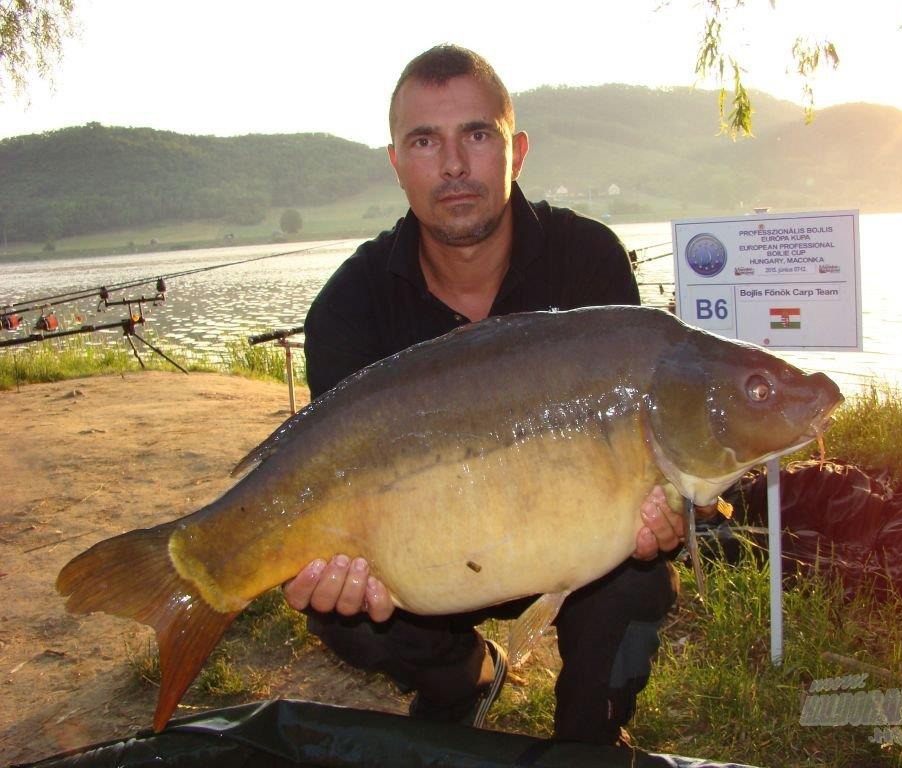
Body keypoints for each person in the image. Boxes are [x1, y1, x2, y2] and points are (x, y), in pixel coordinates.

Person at [284, 44, 696, 746]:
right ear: (395, 162)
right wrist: (336, 560)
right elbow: (336, 484)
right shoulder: (348, 308)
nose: (452, 165)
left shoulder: (588, 260)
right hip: (431, 562)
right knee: (340, 610)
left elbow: (647, 434)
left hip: (573, 545)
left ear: (517, 149)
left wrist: (669, 506)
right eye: (425, 141)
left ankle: (586, 733)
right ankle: (463, 675)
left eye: (476, 135)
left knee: (639, 575)